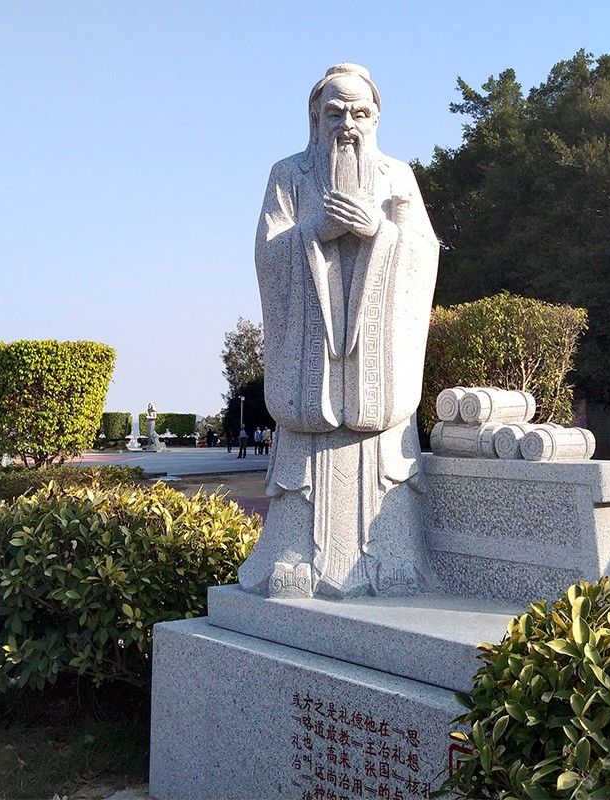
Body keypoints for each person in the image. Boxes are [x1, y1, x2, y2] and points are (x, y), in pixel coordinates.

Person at [238, 64, 439, 599]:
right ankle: (292, 555)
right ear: (314, 118)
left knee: (388, 487)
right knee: (296, 522)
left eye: (359, 112)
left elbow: (424, 257)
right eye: (335, 113)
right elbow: (267, 256)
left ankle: (393, 557)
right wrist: (314, 231)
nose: (347, 124)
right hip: (313, 373)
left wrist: (380, 233)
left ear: (376, 118)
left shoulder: (398, 175)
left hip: (375, 377)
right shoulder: (288, 175)